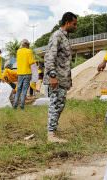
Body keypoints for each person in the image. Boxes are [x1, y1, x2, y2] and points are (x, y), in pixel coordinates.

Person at [44, 12, 77, 143]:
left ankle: (53, 131)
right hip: (56, 78)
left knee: (60, 104)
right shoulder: (57, 36)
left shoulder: (65, 37)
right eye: (74, 24)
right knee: (55, 104)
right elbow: (49, 57)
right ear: (67, 22)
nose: (76, 26)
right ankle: (51, 135)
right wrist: (52, 75)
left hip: (62, 78)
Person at [13, 39, 36, 109]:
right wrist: (34, 61)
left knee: (19, 88)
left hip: (20, 73)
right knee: (24, 89)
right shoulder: (29, 51)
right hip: (27, 73)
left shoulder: (18, 51)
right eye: (28, 45)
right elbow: (31, 62)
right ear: (27, 45)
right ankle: (22, 105)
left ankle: (15, 104)